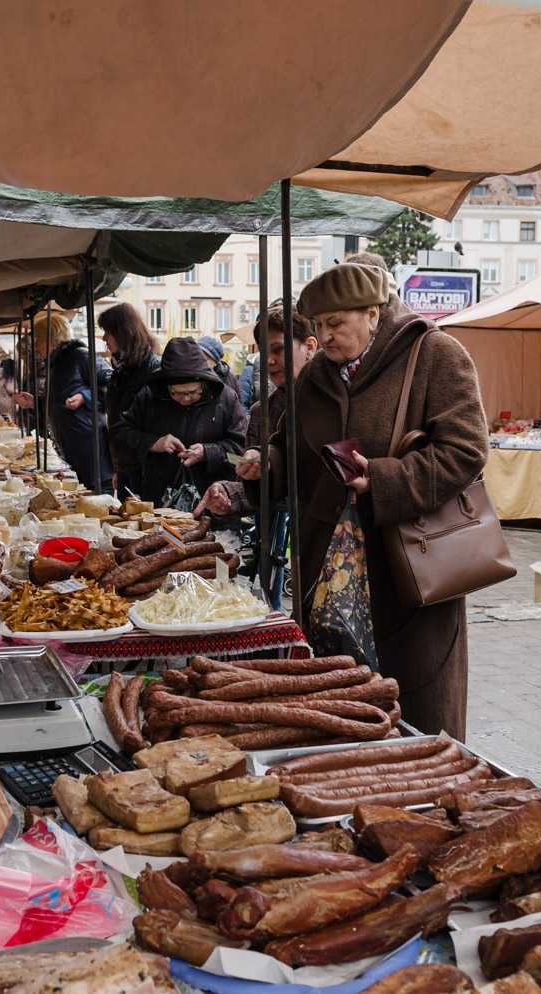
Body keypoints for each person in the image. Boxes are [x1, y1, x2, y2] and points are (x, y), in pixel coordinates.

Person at [263, 262, 488, 738]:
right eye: (318, 326)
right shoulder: (314, 378)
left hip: (410, 566)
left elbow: (466, 451)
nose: (324, 338)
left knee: (418, 715)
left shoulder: (435, 355)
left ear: (373, 312)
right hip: (329, 572)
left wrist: (384, 480)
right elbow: (290, 448)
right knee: (339, 711)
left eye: (335, 324)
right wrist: (263, 465)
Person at [197, 302, 318, 519]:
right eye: (264, 351)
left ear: (310, 348)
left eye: (278, 349)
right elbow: (253, 486)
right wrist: (228, 493)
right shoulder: (262, 411)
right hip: (277, 539)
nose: (269, 361)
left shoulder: (335, 400)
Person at [114, 336, 247, 506]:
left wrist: (208, 452)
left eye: (192, 392)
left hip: (214, 502)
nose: (185, 399)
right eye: (176, 393)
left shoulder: (226, 398)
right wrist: (154, 442)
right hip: (160, 502)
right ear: (166, 385)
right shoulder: (149, 396)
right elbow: (120, 435)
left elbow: (239, 454)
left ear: (203, 384)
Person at [14, 312, 112, 490]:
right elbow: (59, 405)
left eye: (38, 340)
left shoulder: (80, 356)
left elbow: (112, 385)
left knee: (98, 501)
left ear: (52, 338)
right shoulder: (56, 364)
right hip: (70, 448)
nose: (35, 347)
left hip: (91, 450)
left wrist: (85, 396)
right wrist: (35, 403)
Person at [98, 303, 162, 498]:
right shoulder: (123, 369)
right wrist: (118, 467)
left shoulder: (152, 370)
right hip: (127, 465)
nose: (104, 339)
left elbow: (152, 424)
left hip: (145, 469)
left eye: (108, 332)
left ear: (122, 332)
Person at [0, 357, 20, 425]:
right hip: (9, 401)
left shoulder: (1, 375)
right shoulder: (9, 376)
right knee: (11, 421)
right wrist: (18, 391)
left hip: (1, 401)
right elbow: (11, 389)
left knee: (6, 420)